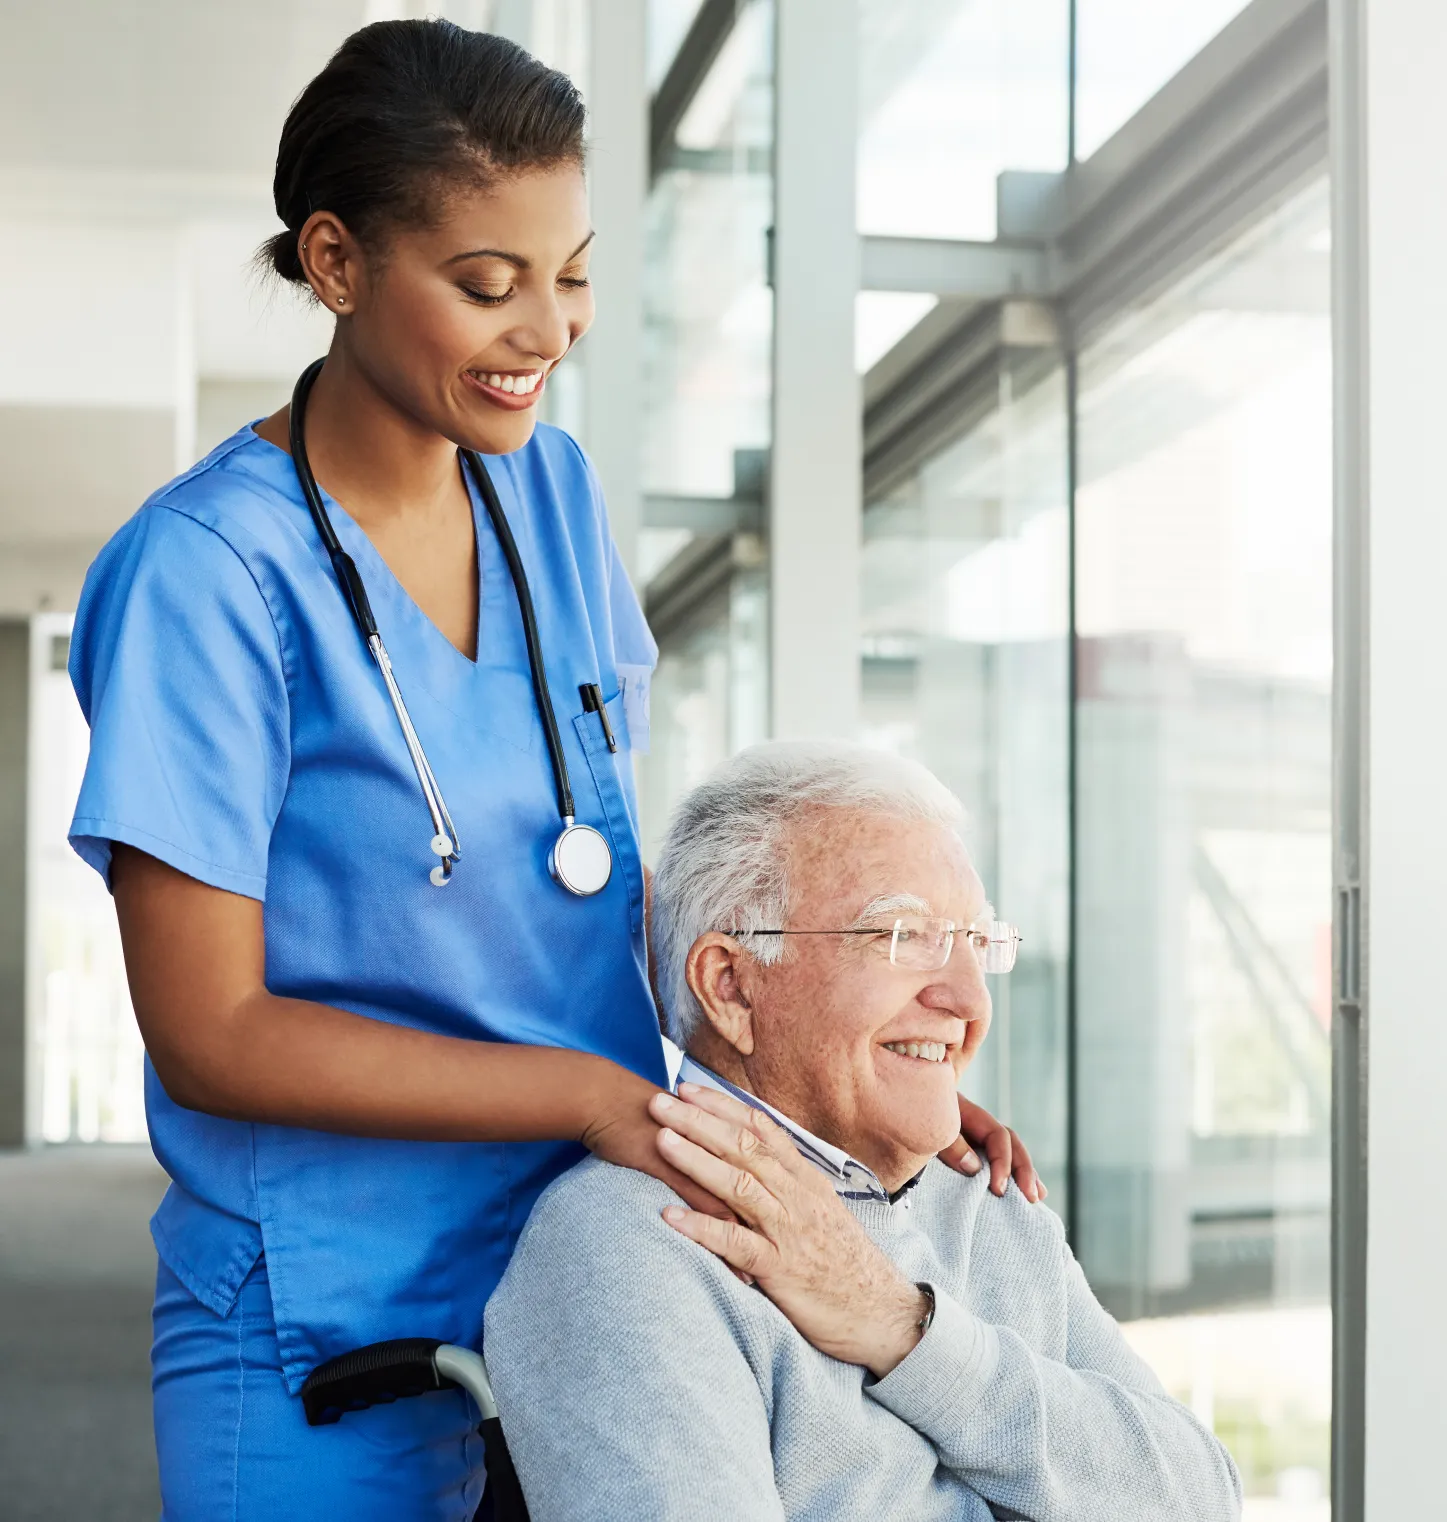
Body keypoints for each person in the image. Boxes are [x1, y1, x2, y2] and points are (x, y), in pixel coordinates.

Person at [69, 22, 1032, 1519]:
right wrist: (585, 1093)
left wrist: (840, 1068)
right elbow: (211, 1029)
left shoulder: (552, 494)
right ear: (334, 263)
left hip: (593, 1280)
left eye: (571, 273)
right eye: (485, 282)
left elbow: (581, 876)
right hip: (331, 1333)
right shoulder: (205, 573)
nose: (546, 330)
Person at [483, 741, 1243, 1521]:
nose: (967, 1000)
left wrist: (904, 1329)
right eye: (904, 937)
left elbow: (1200, 1498)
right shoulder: (633, 1240)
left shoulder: (991, 1204)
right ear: (731, 987)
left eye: (976, 944)